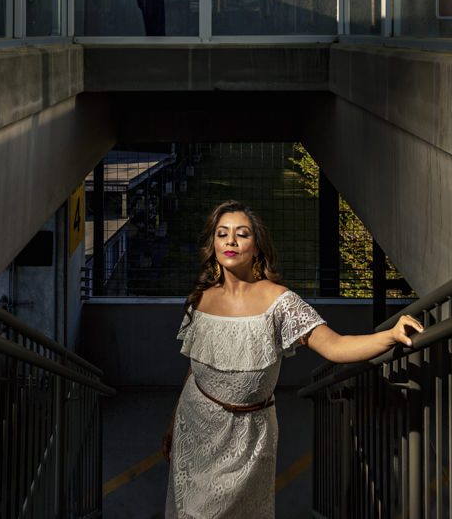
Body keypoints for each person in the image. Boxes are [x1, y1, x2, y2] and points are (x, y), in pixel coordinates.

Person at [164, 200, 424, 518]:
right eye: (222, 233)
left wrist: (390, 335)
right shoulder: (200, 298)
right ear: (213, 244)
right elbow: (195, 370)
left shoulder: (280, 302)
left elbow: (335, 346)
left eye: (241, 234)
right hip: (194, 426)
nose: (230, 241)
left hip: (249, 439)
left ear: (257, 247)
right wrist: (173, 422)